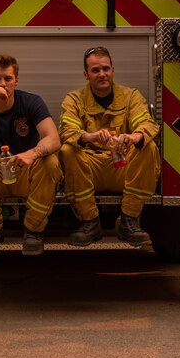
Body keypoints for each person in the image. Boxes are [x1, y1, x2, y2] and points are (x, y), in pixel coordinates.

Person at [0, 54, 62, 259]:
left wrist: (32, 154)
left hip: (26, 171)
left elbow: (53, 139)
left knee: (50, 160)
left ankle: (33, 230)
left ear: (16, 81)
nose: (3, 84)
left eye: (8, 79)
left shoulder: (31, 102)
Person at [58, 47, 159, 248]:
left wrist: (133, 136)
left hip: (122, 167)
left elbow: (147, 124)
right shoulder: (74, 99)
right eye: (95, 70)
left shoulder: (131, 96)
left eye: (106, 68)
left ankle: (129, 220)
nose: (102, 74)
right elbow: (66, 131)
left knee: (149, 146)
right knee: (67, 150)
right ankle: (89, 222)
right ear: (86, 75)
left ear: (113, 70)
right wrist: (90, 136)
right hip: (90, 168)